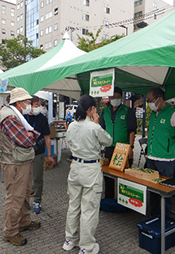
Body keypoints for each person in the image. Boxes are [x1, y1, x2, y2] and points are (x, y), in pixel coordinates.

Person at [0, 88, 41, 246]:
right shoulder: (10, 117)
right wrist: (31, 135)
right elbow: (26, 140)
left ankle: (24, 222)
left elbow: (28, 136)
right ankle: (10, 231)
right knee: (15, 197)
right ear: (19, 103)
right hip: (14, 162)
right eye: (27, 102)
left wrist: (30, 135)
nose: (29, 105)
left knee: (25, 193)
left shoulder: (13, 114)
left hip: (20, 160)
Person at [62, 95, 112, 254]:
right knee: (89, 209)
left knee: (73, 205)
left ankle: (70, 240)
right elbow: (108, 141)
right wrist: (96, 123)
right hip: (91, 169)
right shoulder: (94, 127)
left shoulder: (71, 126)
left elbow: (69, 142)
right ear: (91, 109)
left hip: (75, 167)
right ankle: (86, 246)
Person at [146, 87, 175, 216]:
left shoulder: (173, 113)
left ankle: (166, 219)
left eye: (150, 100)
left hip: (165, 160)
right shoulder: (154, 114)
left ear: (159, 99)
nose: (149, 103)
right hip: (151, 158)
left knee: (165, 192)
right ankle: (153, 217)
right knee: (153, 191)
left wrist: (171, 138)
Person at [99, 87, 137, 199]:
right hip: (109, 148)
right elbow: (102, 130)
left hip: (123, 148)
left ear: (121, 97)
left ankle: (125, 200)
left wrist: (131, 147)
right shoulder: (105, 112)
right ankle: (109, 198)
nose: (114, 99)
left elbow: (132, 130)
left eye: (116, 97)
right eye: (112, 97)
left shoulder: (127, 111)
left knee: (124, 176)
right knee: (108, 175)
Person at [25, 96, 55, 214]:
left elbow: (47, 138)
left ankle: (37, 200)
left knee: (38, 177)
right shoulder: (23, 117)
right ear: (30, 105)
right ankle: (25, 200)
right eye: (35, 105)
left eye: (39, 105)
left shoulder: (42, 118)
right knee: (25, 178)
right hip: (25, 151)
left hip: (39, 151)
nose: (38, 108)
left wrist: (49, 154)